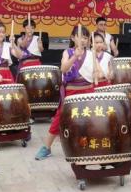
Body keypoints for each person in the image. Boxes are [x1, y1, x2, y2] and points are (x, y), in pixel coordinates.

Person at [34, 26, 94, 160]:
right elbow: (63, 68)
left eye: (86, 37)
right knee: (60, 118)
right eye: (80, 37)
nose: (83, 40)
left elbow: (98, 74)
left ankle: (88, 145)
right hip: (71, 92)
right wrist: (75, 57)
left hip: (88, 90)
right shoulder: (68, 52)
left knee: (89, 119)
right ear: (73, 38)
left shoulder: (91, 54)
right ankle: (47, 147)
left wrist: (102, 74)